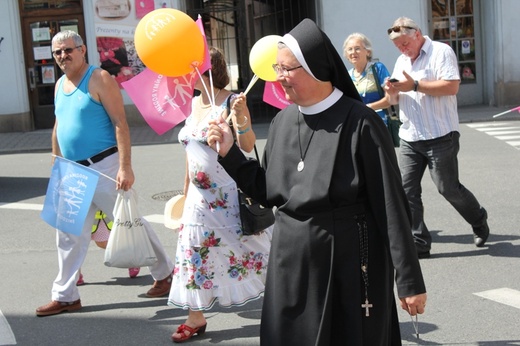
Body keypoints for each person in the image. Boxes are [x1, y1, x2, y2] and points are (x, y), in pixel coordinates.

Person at [208, 19, 426, 345]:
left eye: (287, 69)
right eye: (276, 68)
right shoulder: (282, 122)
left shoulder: (361, 124)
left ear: (316, 67)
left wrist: (409, 279)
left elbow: (391, 205)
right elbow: (269, 191)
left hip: (350, 263)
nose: (279, 77)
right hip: (292, 264)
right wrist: (229, 152)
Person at [36, 30, 174, 317]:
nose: (63, 56)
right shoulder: (60, 84)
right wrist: (55, 160)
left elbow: (121, 123)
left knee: (130, 222)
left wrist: (125, 166)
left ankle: (165, 275)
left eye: (68, 50)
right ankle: (65, 295)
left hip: (105, 166)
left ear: (82, 50)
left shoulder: (99, 78)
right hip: (72, 171)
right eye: (58, 52)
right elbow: (58, 124)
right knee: (68, 235)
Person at [167, 46, 271, 343]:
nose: (185, 74)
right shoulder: (193, 103)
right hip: (198, 200)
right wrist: (185, 194)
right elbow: (189, 154)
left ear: (207, 68)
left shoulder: (231, 100)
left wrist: (241, 118)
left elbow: (249, 145)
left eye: (191, 67)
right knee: (193, 253)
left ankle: (290, 290)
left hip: (228, 195)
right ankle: (195, 317)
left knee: (255, 248)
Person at [384, 17, 490, 259]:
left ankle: (478, 219)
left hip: (440, 135)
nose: (402, 49)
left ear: (417, 34)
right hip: (410, 135)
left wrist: (414, 86)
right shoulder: (402, 61)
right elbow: (394, 101)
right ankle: (419, 241)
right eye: (397, 46)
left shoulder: (441, 52)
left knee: (447, 188)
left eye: (404, 43)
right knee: (407, 190)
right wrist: (391, 92)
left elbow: (451, 86)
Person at [76, 210, 140, 286]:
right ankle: (76, 275)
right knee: (76, 246)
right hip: (78, 215)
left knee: (103, 243)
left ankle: (131, 258)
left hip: (97, 216)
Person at [343, 32, 391, 124]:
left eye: (357, 48)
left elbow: (390, 99)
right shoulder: (347, 76)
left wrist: (367, 108)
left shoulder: (377, 69)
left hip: (378, 123)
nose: (353, 52)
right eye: (349, 49)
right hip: (357, 124)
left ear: (368, 52)